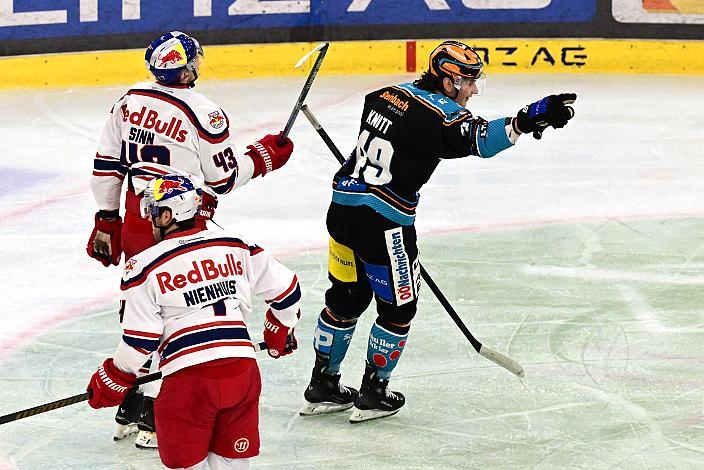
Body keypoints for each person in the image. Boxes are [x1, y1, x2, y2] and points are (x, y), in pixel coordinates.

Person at [300, 40, 576, 422]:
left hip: (342, 211)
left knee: (346, 297)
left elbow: (398, 135)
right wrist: (526, 120)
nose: (474, 90)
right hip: (384, 224)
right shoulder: (438, 116)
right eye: (468, 81)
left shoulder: (384, 95)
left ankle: (322, 385)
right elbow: (482, 140)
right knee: (399, 310)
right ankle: (373, 394)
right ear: (447, 82)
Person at [85, 30, 295, 447]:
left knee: (145, 302)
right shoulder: (205, 112)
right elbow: (223, 177)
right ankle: (155, 412)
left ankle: (133, 397)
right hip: (181, 216)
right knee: (184, 303)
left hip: (137, 215)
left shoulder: (128, 100)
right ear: (186, 66)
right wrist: (263, 157)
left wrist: (107, 217)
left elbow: (107, 164)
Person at [86, 174, 301, 470]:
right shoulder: (237, 245)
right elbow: (288, 291)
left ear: (167, 214)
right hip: (242, 373)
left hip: (189, 383)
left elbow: (141, 341)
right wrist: (280, 326)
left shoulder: (143, 267)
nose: (149, 219)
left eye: (152, 212)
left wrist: (113, 377)